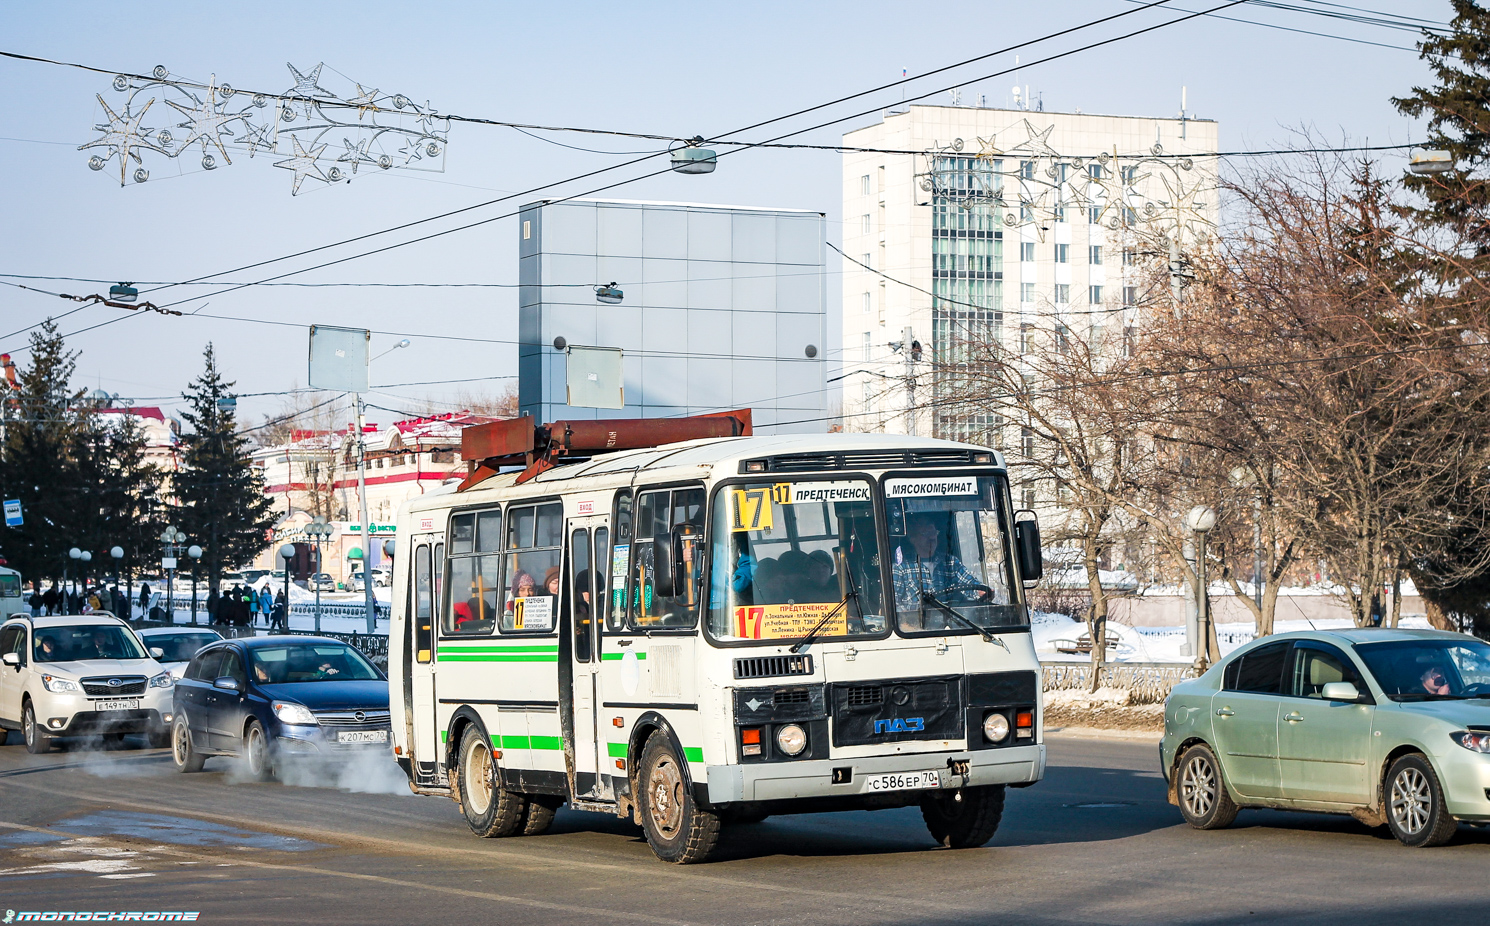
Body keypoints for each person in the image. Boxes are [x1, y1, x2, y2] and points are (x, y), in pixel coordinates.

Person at [891, 512, 986, 627]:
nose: (932, 537)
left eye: (933, 533)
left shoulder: (950, 562)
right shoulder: (901, 567)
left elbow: (970, 584)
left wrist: (981, 591)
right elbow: (894, 601)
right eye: (925, 533)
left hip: (952, 626)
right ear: (913, 538)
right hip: (917, 631)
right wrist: (908, 621)